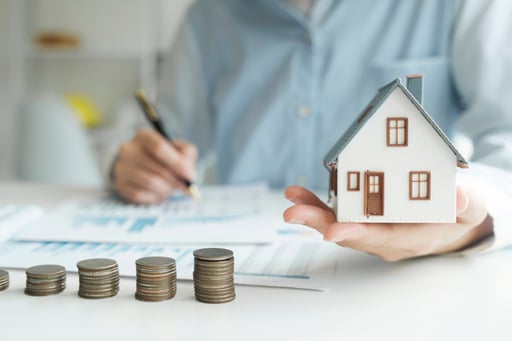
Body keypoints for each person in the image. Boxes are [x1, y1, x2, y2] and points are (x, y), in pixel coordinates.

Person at [111, 0, 512, 261]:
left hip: (418, 282)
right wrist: (136, 166)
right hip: (243, 273)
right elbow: (163, 139)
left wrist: (470, 226)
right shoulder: (209, 15)